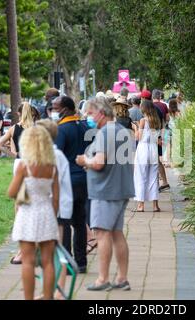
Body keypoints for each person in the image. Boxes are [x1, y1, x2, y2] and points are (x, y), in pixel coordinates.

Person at [75, 97, 135, 291]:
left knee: (102, 234)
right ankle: (122, 278)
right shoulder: (122, 131)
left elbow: (99, 163)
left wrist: (85, 161)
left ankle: (103, 279)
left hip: (105, 191)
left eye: (90, 113)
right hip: (121, 189)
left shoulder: (103, 133)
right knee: (117, 234)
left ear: (101, 113)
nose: (88, 117)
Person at [8, 126, 59, 300]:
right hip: (46, 212)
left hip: (27, 213)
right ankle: (47, 297)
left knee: (28, 261)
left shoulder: (24, 166)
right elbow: (56, 199)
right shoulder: (52, 168)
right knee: (48, 262)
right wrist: (52, 215)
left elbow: (11, 192)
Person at [36, 119, 73, 300]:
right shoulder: (50, 154)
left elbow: (55, 187)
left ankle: (59, 290)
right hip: (52, 208)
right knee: (49, 252)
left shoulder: (54, 156)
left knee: (58, 250)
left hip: (56, 209)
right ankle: (49, 290)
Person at [55, 96, 90, 273]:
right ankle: (82, 262)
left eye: (56, 108)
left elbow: (55, 156)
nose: (54, 111)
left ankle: (68, 264)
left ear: (66, 109)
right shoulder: (86, 126)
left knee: (65, 223)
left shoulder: (61, 130)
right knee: (80, 221)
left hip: (66, 181)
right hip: (84, 179)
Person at [0, 102, 35, 265]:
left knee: (19, 199)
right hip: (32, 162)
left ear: (19, 113)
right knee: (31, 197)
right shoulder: (35, 128)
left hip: (19, 162)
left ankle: (20, 225)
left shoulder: (14, 128)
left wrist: (11, 153)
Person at [133, 100, 161, 212]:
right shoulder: (156, 121)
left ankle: (141, 205)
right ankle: (155, 206)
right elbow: (157, 138)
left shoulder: (143, 121)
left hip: (143, 149)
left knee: (141, 176)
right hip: (153, 149)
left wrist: (135, 127)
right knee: (154, 178)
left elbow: (138, 137)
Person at [166, 99, 181, 166]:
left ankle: (169, 162)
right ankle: (175, 162)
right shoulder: (178, 112)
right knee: (176, 146)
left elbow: (166, 121)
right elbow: (181, 121)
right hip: (177, 130)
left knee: (169, 146)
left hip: (169, 130)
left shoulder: (168, 113)